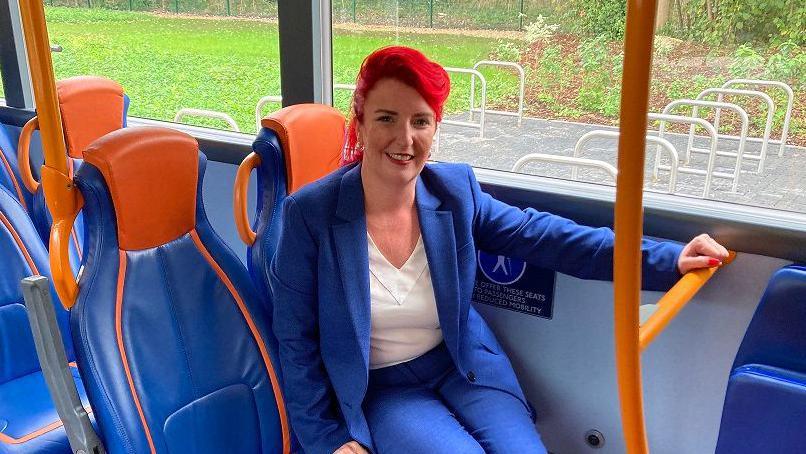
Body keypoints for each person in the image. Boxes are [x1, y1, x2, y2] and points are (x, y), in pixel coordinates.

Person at [269, 46, 729, 454]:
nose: (404, 139)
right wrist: (327, 438)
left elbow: (546, 236)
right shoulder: (310, 216)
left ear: (435, 126)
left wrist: (665, 258)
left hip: (461, 364)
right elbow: (295, 340)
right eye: (387, 118)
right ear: (362, 117)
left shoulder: (454, 192)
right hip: (383, 390)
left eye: (420, 121)